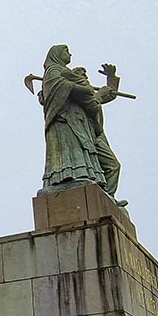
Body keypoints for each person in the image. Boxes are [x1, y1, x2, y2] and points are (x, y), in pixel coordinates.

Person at [39, 44, 126, 205]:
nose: (70, 54)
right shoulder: (54, 72)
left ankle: (107, 197)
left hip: (89, 129)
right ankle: (92, 192)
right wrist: (90, 93)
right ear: (57, 54)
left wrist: (110, 81)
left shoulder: (69, 77)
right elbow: (67, 91)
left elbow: (98, 98)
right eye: (66, 51)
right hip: (70, 123)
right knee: (75, 159)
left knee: (113, 165)